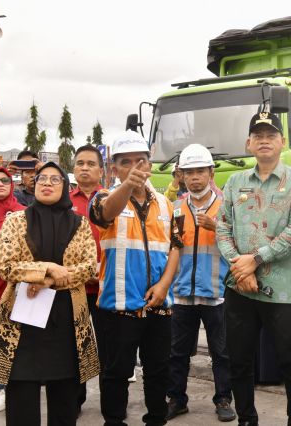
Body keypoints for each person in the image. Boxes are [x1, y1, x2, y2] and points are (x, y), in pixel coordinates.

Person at [216, 111, 291, 426]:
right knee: (240, 361)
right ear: (248, 143)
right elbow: (222, 229)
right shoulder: (234, 182)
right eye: (257, 135)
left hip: (283, 291)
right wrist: (241, 269)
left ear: (282, 142)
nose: (264, 141)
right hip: (240, 289)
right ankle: (247, 418)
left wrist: (254, 260)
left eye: (270, 135)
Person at [0, 162, 99, 425]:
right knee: (21, 399)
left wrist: (49, 282)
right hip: (22, 323)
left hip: (66, 320)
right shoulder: (15, 221)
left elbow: (87, 267)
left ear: (64, 187)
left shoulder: (80, 223)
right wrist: (46, 267)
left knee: (64, 400)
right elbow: (6, 266)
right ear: (33, 184)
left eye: (55, 179)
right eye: (42, 179)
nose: (47, 183)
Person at [89, 130, 182, 426]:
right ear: (113, 168)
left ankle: (156, 419)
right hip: (118, 306)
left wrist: (164, 284)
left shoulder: (168, 205)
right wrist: (128, 186)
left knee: (158, 371)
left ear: (150, 164)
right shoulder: (104, 197)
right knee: (116, 373)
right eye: (125, 162)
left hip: (159, 304)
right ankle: (114, 421)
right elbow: (105, 212)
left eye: (140, 160)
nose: (133, 167)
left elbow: (176, 247)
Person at [166, 144, 236, 422]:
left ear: (210, 172)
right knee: (177, 353)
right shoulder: (174, 208)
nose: (194, 177)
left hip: (217, 293)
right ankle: (176, 399)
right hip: (182, 294)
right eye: (189, 172)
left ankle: (223, 399)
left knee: (221, 352)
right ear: (181, 175)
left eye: (200, 171)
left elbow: (241, 241)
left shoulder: (225, 208)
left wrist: (216, 227)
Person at [69, 144, 106, 413]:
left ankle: (112, 402)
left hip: (106, 287)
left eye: (90, 163)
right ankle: (74, 400)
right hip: (74, 287)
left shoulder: (113, 199)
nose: (84, 167)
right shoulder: (64, 201)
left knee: (110, 347)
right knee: (75, 348)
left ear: (101, 170)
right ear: (73, 169)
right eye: (80, 163)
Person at [0, 167, 24, 414]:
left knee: (5, 343)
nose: (0, 184)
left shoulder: (22, 212)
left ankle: (4, 390)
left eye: (5, 180)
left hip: (10, 290)